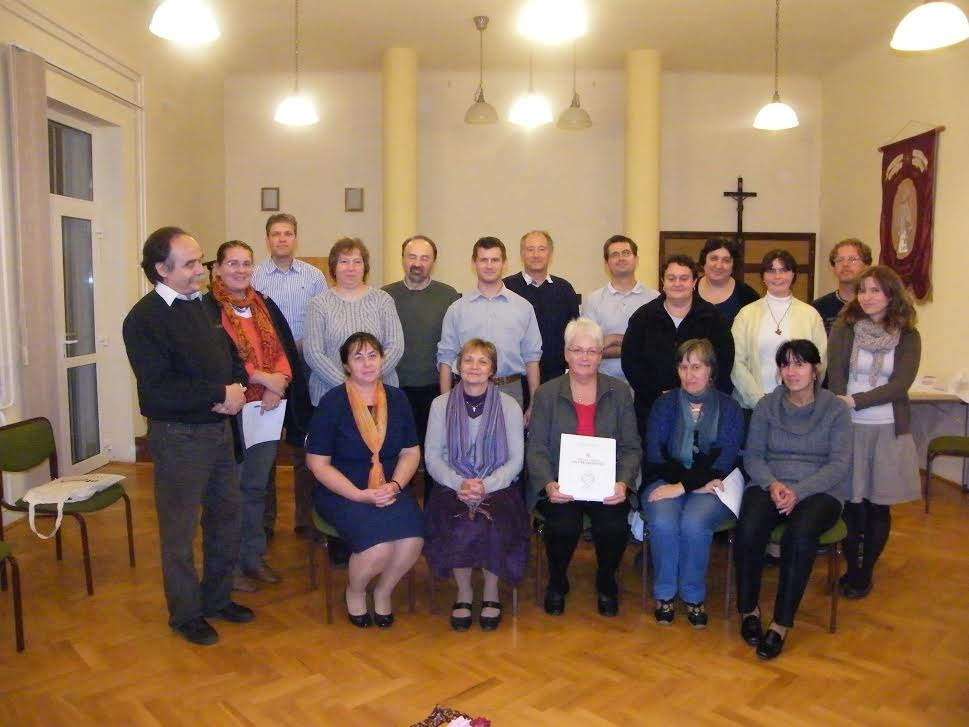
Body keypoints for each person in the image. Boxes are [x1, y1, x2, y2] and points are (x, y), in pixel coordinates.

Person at [122, 226, 253, 646]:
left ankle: (217, 599)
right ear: (162, 269)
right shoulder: (143, 320)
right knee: (179, 532)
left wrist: (235, 388)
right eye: (192, 263)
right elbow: (158, 389)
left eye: (201, 261)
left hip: (218, 432)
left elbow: (230, 356)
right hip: (179, 438)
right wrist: (219, 395)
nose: (202, 270)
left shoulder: (200, 306)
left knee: (226, 517)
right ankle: (185, 614)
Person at [202, 240, 312, 593]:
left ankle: (253, 557)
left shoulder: (264, 303)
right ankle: (229, 566)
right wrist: (262, 379)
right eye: (232, 263)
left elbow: (282, 349)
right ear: (218, 268)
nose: (240, 270)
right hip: (231, 412)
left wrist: (277, 385)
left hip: (267, 408)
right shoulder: (208, 309)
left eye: (246, 263)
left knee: (255, 487)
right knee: (230, 491)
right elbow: (219, 359)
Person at [734, 339, 851, 660]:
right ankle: (749, 610)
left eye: (800, 364)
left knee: (799, 536)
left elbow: (839, 464)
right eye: (785, 364)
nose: (791, 371)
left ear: (815, 370)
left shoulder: (835, 409)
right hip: (770, 483)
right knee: (749, 527)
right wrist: (773, 484)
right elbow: (753, 456)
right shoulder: (767, 405)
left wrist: (800, 492)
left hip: (821, 490)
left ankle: (781, 624)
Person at [305, 333, 424, 628]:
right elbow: (318, 464)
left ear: (382, 360)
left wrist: (395, 485)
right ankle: (355, 591)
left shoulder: (398, 399)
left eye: (373, 355)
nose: (367, 363)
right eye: (358, 357)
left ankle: (383, 591)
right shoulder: (332, 402)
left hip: (390, 486)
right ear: (346, 365)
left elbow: (410, 452)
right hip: (343, 489)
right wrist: (359, 495)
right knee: (378, 548)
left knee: (412, 541)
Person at [528, 318, 642, 617]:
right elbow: (536, 447)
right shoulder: (546, 393)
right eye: (577, 350)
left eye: (592, 351)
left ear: (601, 355)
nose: (584, 357)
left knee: (613, 526)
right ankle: (557, 581)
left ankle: (606, 581)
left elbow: (631, 447)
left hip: (607, 483)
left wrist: (623, 483)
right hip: (560, 483)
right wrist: (548, 484)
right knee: (563, 525)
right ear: (566, 353)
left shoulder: (620, 392)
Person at [827, 265, 921, 600]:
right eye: (863, 290)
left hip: (888, 429)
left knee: (878, 506)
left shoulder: (908, 334)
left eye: (875, 290)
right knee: (852, 505)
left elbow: (900, 384)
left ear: (891, 294)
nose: (867, 297)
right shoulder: (845, 327)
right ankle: (852, 567)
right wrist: (843, 404)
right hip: (850, 427)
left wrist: (856, 400)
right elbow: (835, 373)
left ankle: (865, 572)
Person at [423, 339, 529, 631]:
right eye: (468, 360)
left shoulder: (509, 406)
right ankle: (464, 592)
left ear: (492, 369)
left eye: (483, 361)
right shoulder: (440, 405)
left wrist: (487, 485)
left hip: (497, 484)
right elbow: (432, 457)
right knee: (457, 521)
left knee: (494, 522)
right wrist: (459, 483)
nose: (474, 366)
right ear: (458, 366)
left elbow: (516, 460)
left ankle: (491, 592)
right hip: (452, 483)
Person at [642, 339, 744, 627]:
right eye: (683, 367)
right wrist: (689, 484)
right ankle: (664, 593)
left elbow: (722, 461)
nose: (689, 374)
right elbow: (656, 455)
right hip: (665, 478)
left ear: (711, 369)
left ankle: (693, 595)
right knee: (663, 522)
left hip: (714, 485)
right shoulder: (664, 404)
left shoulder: (730, 408)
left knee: (694, 523)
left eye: (696, 367)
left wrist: (682, 488)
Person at [251, 212, 328, 541]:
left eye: (287, 233)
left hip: (305, 366)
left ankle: (306, 520)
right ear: (267, 239)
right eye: (276, 234)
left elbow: (322, 319)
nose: (282, 239)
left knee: (303, 446)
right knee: (266, 446)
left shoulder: (313, 276)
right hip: (266, 372)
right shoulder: (254, 276)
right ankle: (264, 522)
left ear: (296, 238)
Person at [622, 254, 734, 435]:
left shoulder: (713, 317)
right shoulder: (643, 317)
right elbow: (630, 363)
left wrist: (699, 395)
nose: (677, 283)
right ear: (663, 282)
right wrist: (658, 395)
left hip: (702, 408)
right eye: (671, 278)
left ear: (694, 281)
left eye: (684, 278)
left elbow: (724, 361)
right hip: (652, 407)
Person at [383, 235, 460, 497]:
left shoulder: (448, 296)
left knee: (433, 457)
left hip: (434, 389)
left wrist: (447, 393)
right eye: (412, 257)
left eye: (424, 258)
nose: (417, 263)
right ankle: (399, 509)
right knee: (396, 456)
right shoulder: (385, 295)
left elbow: (454, 345)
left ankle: (432, 513)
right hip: (394, 389)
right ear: (402, 259)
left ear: (433, 262)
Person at [437, 236, 542, 418]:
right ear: (474, 264)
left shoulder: (523, 308)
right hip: (466, 390)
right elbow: (445, 358)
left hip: (510, 390)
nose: (489, 265)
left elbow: (532, 358)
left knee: (510, 438)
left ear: (504, 263)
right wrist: (446, 404)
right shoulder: (457, 309)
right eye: (483, 260)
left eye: (495, 260)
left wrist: (534, 404)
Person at [304, 237, 405, 407]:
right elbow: (314, 353)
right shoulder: (319, 304)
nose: (351, 268)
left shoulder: (383, 300)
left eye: (357, 262)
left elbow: (395, 346)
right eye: (344, 261)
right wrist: (349, 385)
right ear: (334, 267)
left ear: (365, 267)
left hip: (379, 395)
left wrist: (369, 381)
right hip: (332, 396)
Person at [730, 249, 828, 411]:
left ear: (793, 275)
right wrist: (759, 401)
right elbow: (736, 361)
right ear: (763, 276)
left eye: (784, 270)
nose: (777, 276)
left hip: (798, 405)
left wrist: (800, 398)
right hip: (753, 406)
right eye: (771, 271)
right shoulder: (746, 314)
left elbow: (820, 363)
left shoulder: (810, 315)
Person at [503, 230, 580, 383]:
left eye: (542, 249)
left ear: (550, 253)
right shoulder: (506, 288)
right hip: (516, 378)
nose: (536, 255)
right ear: (522, 254)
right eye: (530, 249)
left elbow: (574, 335)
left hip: (557, 376)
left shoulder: (564, 289)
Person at [582, 235, 660, 382]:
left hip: (646, 382)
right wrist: (637, 343)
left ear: (636, 259)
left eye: (626, 253)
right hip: (605, 383)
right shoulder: (593, 300)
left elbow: (656, 345)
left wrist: (612, 339)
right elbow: (589, 349)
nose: (621, 258)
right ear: (606, 264)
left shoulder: (654, 298)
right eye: (615, 254)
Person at [811, 238, 873, 334]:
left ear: (867, 265)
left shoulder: (876, 304)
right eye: (839, 260)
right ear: (833, 268)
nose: (845, 264)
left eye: (852, 259)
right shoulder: (817, 308)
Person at [695, 237, 760, 328]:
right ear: (704, 261)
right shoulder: (689, 289)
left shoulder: (747, 295)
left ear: (733, 266)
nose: (719, 266)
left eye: (726, 260)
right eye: (714, 258)